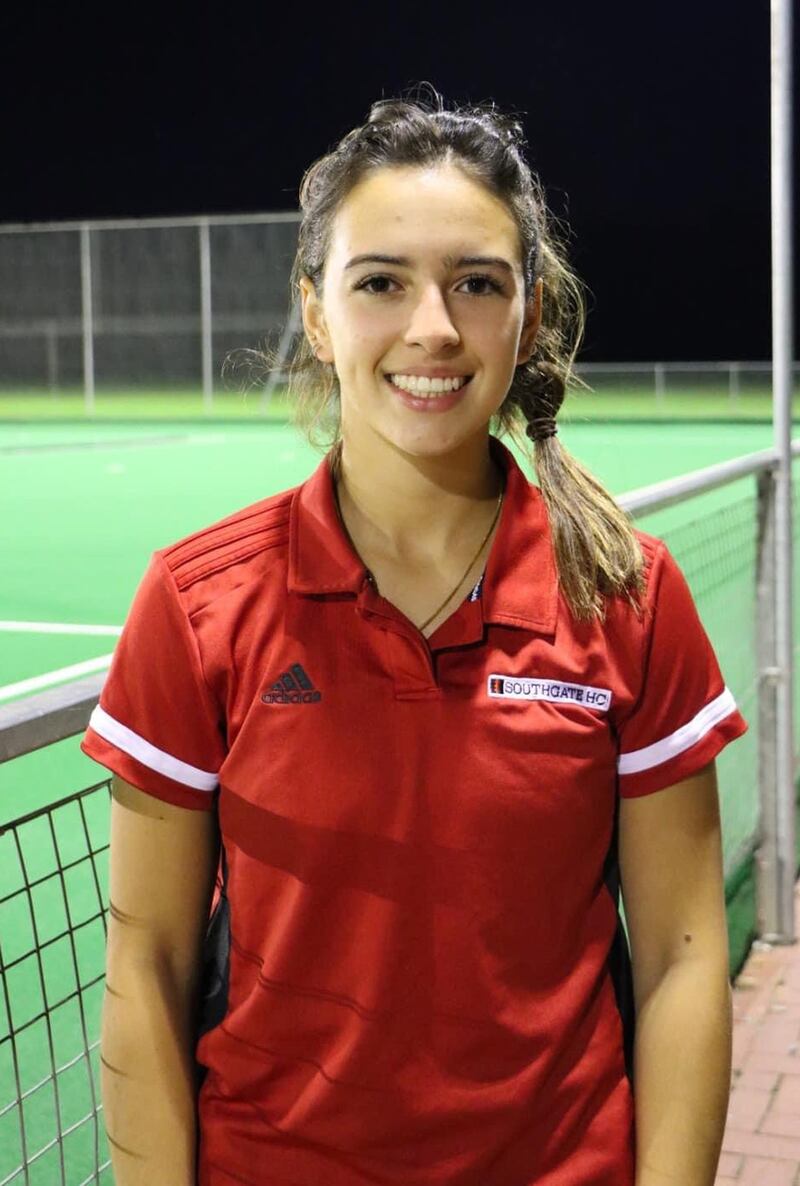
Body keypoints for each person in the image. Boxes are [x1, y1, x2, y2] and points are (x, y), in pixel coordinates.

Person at [81, 88, 748, 1186]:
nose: (432, 327)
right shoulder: (197, 604)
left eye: (474, 284)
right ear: (314, 310)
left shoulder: (626, 595)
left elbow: (682, 955)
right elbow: (144, 962)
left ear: (525, 314)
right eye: (381, 281)